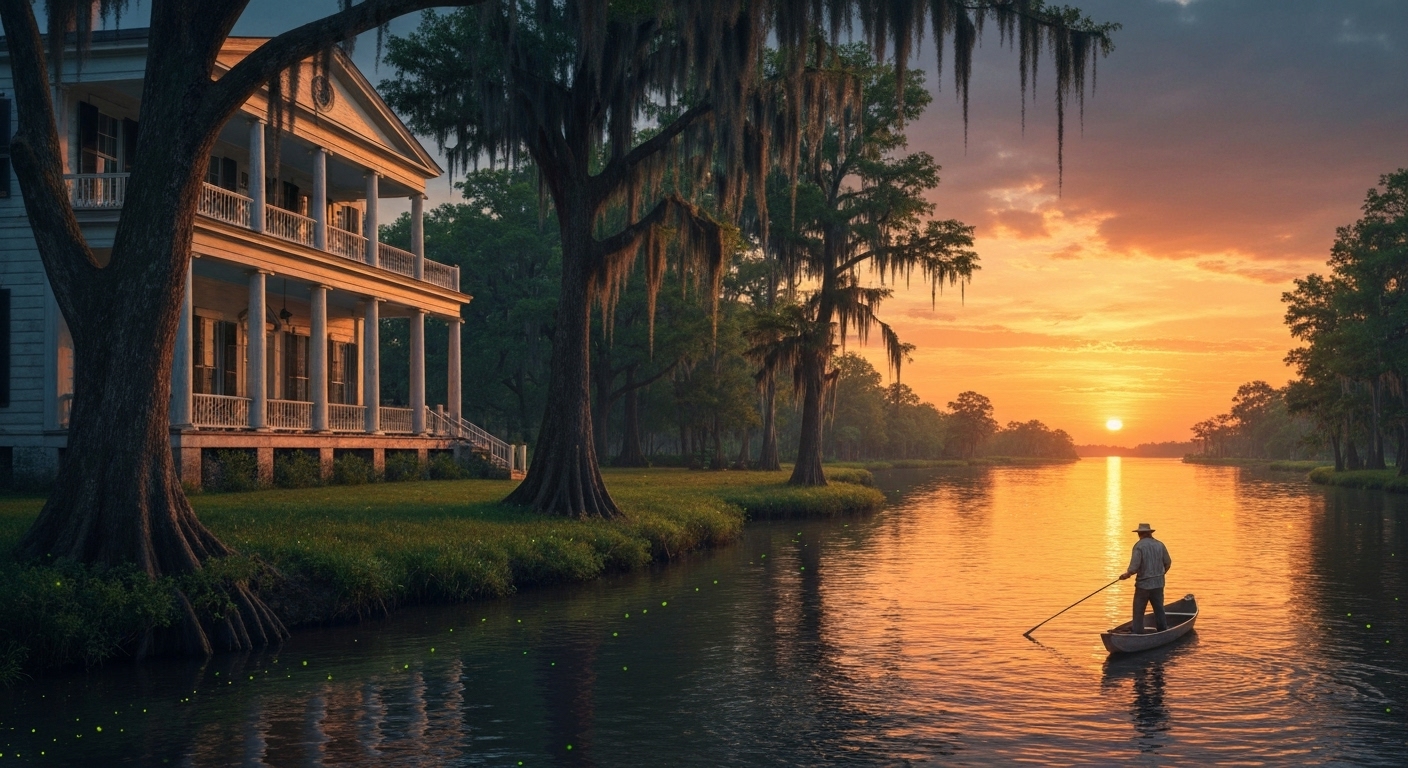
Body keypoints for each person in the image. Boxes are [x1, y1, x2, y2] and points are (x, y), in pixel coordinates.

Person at [1119, 523, 1172, 634]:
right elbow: (1167, 562)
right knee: (1159, 608)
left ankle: (1138, 631)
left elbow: (1134, 567)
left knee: (1138, 610)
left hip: (1143, 585)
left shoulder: (1139, 546)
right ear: (1150, 533)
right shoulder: (1160, 545)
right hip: (1158, 584)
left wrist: (1126, 575)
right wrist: (1160, 574)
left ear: (1140, 534)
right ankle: (1162, 629)